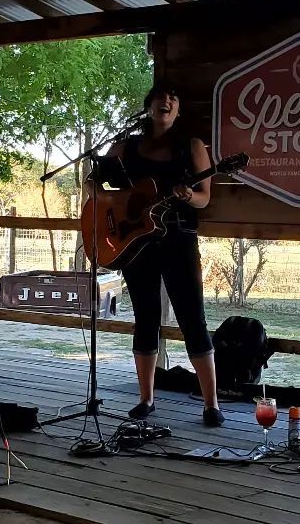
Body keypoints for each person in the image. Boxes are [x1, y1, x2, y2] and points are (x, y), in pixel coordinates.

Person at [92, 85, 224, 426]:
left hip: (179, 240)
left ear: (178, 109)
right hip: (136, 244)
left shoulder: (191, 147)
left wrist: (186, 195)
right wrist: (111, 205)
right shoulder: (126, 145)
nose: (166, 101)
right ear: (148, 105)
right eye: (160, 97)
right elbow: (93, 182)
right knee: (145, 317)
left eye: (173, 97)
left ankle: (212, 405)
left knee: (192, 318)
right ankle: (146, 399)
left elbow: (204, 197)